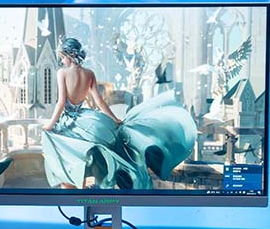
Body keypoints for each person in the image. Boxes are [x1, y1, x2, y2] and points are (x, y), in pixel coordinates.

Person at [41, 38, 196, 190]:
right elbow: (100, 102)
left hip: (69, 123)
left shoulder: (62, 72)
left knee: (67, 163)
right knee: (81, 162)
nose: (62, 61)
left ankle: (71, 196)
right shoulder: (89, 73)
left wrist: (50, 125)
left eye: (62, 57)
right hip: (87, 119)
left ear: (70, 55)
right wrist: (114, 119)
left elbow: (61, 102)